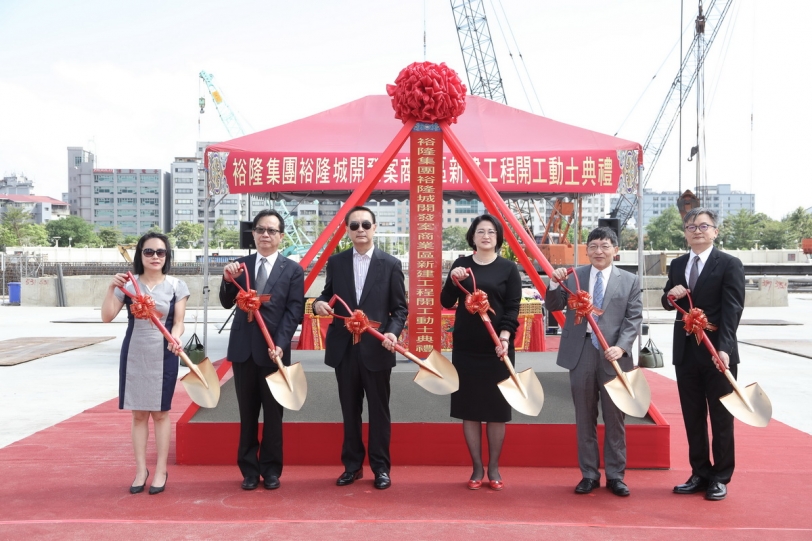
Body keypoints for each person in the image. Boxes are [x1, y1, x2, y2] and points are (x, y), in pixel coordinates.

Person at [313, 206, 407, 490]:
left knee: (379, 411)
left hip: (376, 348)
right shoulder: (337, 262)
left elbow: (400, 309)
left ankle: (381, 469)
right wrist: (319, 304)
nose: (360, 230)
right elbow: (327, 295)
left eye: (366, 224)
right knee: (349, 410)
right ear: (347, 230)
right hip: (344, 349)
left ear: (375, 227)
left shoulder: (390, 264)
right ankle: (352, 467)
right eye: (354, 226)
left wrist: (391, 333)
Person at [546, 226, 642, 497]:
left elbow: (633, 318)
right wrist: (553, 283)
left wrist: (621, 347)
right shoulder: (575, 276)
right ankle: (589, 474)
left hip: (614, 355)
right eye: (593, 246)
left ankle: (616, 476)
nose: (599, 251)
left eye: (605, 246)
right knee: (584, 416)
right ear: (586, 250)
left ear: (615, 250)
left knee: (615, 417)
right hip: (582, 351)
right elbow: (553, 305)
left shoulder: (630, 280)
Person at [662, 207, 744, 501]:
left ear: (715, 232)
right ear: (685, 233)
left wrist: (725, 349)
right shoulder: (677, 264)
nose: (697, 231)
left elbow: (733, 309)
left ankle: (720, 477)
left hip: (716, 353)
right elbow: (666, 300)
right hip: (686, 353)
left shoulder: (729, 264)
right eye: (691, 227)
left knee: (721, 417)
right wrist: (671, 296)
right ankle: (699, 473)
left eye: (703, 226)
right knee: (693, 416)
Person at [219, 209, 305, 491]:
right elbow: (226, 302)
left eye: (271, 230)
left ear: (281, 236)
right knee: (247, 414)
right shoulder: (239, 266)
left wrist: (281, 343)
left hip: (273, 352)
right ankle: (248, 470)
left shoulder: (292, 270)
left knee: (273, 414)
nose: (265, 235)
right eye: (260, 230)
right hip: (243, 350)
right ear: (253, 234)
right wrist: (226, 279)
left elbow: (294, 311)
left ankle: (271, 470)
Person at [101, 232, 190, 495]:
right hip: (135, 352)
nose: (154, 257)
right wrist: (111, 288)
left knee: (161, 414)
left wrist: (176, 337)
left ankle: (160, 470)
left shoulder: (177, 285)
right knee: (138, 414)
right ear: (140, 255)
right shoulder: (129, 284)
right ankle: (141, 470)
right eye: (148, 252)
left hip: (164, 353)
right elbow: (107, 316)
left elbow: (179, 322)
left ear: (167, 256)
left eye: (160, 252)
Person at [440, 214, 521, 491]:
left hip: (498, 348)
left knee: (497, 410)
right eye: (480, 231)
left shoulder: (508, 268)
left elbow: (512, 307)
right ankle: (476, 467)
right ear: (472, 237)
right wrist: (453, 280)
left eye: (491, 232)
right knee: (470, 409)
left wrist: (505, 337)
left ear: (498, 237)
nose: (486, 236)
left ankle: (494, 467)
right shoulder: (461, 265)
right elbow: (446, 301)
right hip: (467, 348)